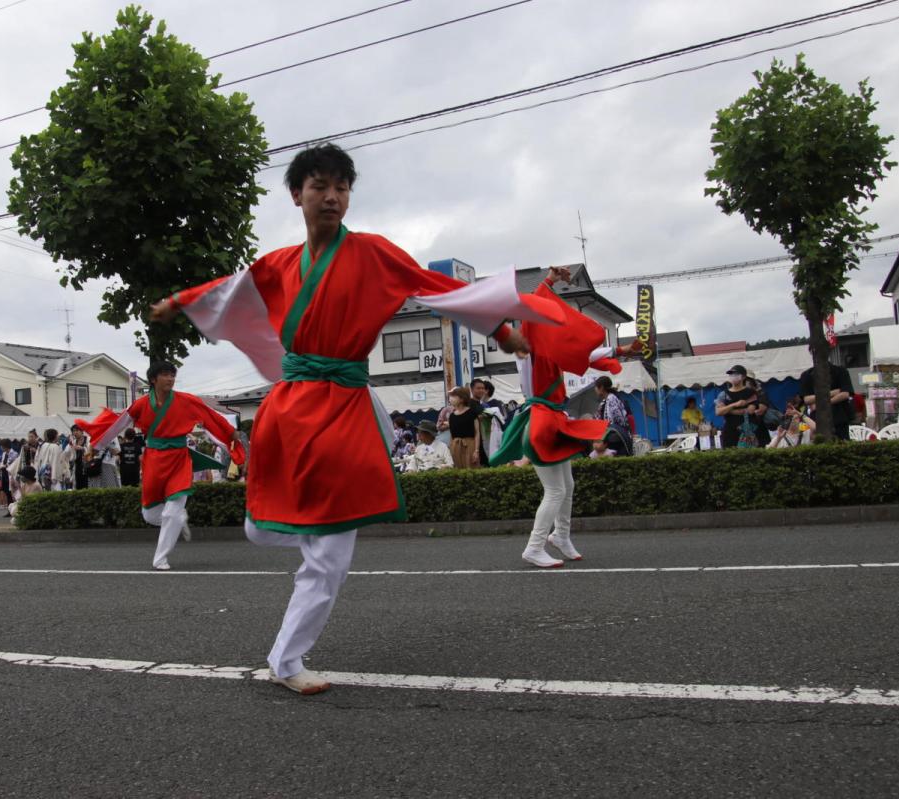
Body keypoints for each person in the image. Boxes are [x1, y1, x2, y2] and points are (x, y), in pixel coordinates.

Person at [151, 142, 560, 694]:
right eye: (320, 185)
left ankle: (287, 659)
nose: (333, 197)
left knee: (333, 548)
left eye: (342, 187)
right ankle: (299, 547)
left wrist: (501, 327)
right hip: (288, 404)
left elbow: (438, 287)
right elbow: (233, 289)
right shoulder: (279, 264)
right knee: (262, 526)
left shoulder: (373, 253)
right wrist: (181, 299)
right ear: (297, 194)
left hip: (343, 403)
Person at [489, 266, 643, 568]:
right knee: (556, 489)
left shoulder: (549, 354)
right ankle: (534, 546)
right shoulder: (530, 353)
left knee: (567, 486)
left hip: (553, 419)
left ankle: (560, 536)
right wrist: (549, 280)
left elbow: (585, 356)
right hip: (540, 421)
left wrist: (623, 349)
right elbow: (534, 307)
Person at [77, 362, 239, 570]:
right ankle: (179, 520)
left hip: (180, 459)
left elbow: (211, 417)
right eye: (165, 375)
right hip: (153, 459)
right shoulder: (141, 404)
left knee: (172, 511)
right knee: (150, 514)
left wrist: (232, 434)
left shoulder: (186, 401)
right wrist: (95, 445)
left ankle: (160, 558)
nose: (170, 378)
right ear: (153, 379)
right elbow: (117, 424)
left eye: (173, 375)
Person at [799, 359, 855, 441]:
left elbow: (845, 394)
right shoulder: (807, 375)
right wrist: (833, 392)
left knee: (842, 442)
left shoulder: (841, 371)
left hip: (839, 417)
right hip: (817, 420)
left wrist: (821, 404)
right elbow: (807, 399)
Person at [715, 365, 760, 448]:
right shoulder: (723, 394)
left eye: (736, 374)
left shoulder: (750, 392)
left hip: (746, 431)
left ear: (743, 377)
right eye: (731, 374)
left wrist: (728, 410)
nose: (733, 377)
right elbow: (718, 412)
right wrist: (735, 405)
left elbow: (750, 410)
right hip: (729, 431)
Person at [593, 376, 634, 456]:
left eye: (596, 387)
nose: (595, 390)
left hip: (618, 438)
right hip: (611, 437)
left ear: (601, 387)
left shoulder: (612, 399)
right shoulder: (604, 401)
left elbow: (620, 421)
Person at [471, 379, 506, 466]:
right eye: (478, 388)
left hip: (485, 438)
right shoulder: (470, 403)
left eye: (483, 388)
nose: (481, 390)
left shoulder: (482, 404)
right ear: (472, 389)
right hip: (475, 440)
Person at [446, 386, 481, 468]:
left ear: (462, 399)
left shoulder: (471, 413)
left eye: (454, 396)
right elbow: (451, 435)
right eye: (450, 396)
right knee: (458, 472)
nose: (451, 398)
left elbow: (477, 433)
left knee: (472, 469)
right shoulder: (451, 416)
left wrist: (476, 450)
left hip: (470, 444)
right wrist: (450, 449)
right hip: (455, 446)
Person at [0, 439, 18, 516]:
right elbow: (1, 463)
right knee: (7, 493)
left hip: (11, 475)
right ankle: (10, 510)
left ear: (5, 446)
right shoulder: (4, 453)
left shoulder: (14, 453)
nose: (0, 447)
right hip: (4, 475)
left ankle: (15, 509)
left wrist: (1, 466)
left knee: (13, 493)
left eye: (1, 446)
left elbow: (11, 464)